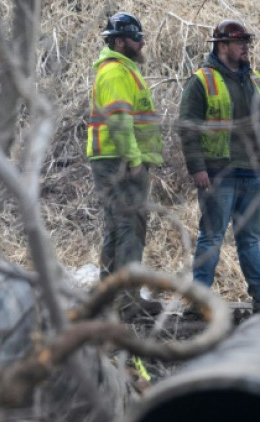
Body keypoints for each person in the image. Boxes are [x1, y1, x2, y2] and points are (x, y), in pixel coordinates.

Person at [178, 19, 260, 314]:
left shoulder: (256, 80)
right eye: (240, 43)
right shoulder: (201, 80)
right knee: (211, 237)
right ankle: (200, 304)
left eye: (246, 43)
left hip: (252, 172)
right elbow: (188, 128)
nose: (245, 48)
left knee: (249, 239)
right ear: (222, 46)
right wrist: (197, 168)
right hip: (217, 174)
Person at [87, 12, 163, 317]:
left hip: (115, 160)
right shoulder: (117, 72)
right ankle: (126, 302)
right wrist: (133, 159)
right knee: (129, 228)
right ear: (120, 42)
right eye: (136, 38)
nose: (142, 42)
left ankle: (111, 298)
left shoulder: (123, 70)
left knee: (117, 228)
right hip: (119, 161)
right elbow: (119, 122)